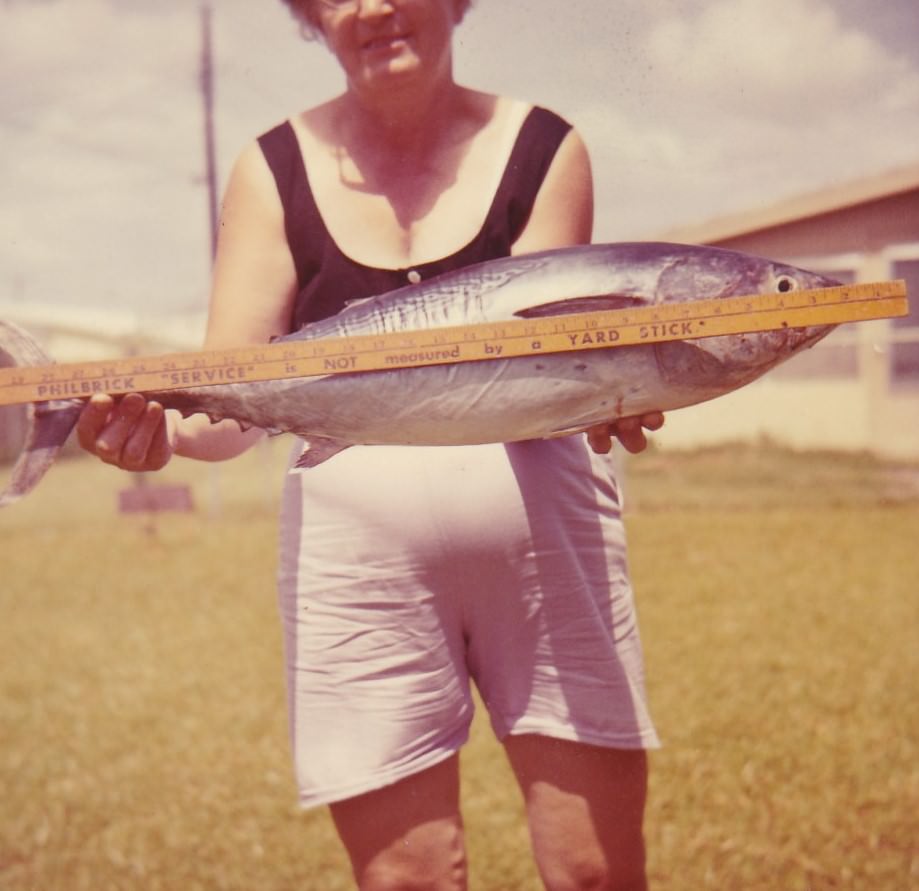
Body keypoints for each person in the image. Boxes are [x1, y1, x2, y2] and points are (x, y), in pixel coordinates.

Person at [77, 1, 665, 888]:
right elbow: (223, 403)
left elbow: (553, 376)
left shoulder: (546, 148)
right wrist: (155, 434)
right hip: (356, 573)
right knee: (407, 880)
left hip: (549, 554)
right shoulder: (269, 170)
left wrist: (619, 389)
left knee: (593, 870)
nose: (376, 7)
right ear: (310, 16)